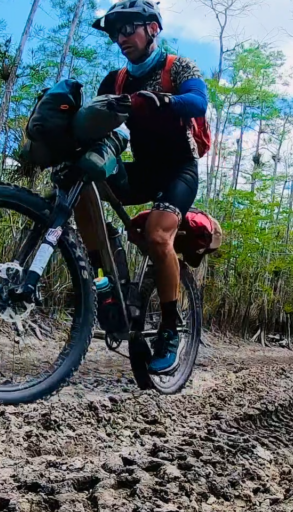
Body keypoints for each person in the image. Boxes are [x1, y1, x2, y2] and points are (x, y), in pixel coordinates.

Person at [80, 0, 208, 373]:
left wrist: (165, 100)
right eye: (115, 32)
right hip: (142, 170)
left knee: (156, 236)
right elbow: (95, 116)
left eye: (128, 28)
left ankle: (170, 327)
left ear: (152, 28)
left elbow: (198, 100)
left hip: (178, 172)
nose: (121, 38)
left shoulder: (177, 67)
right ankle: (106, 281)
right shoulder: (116, 80)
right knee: (83, 188)